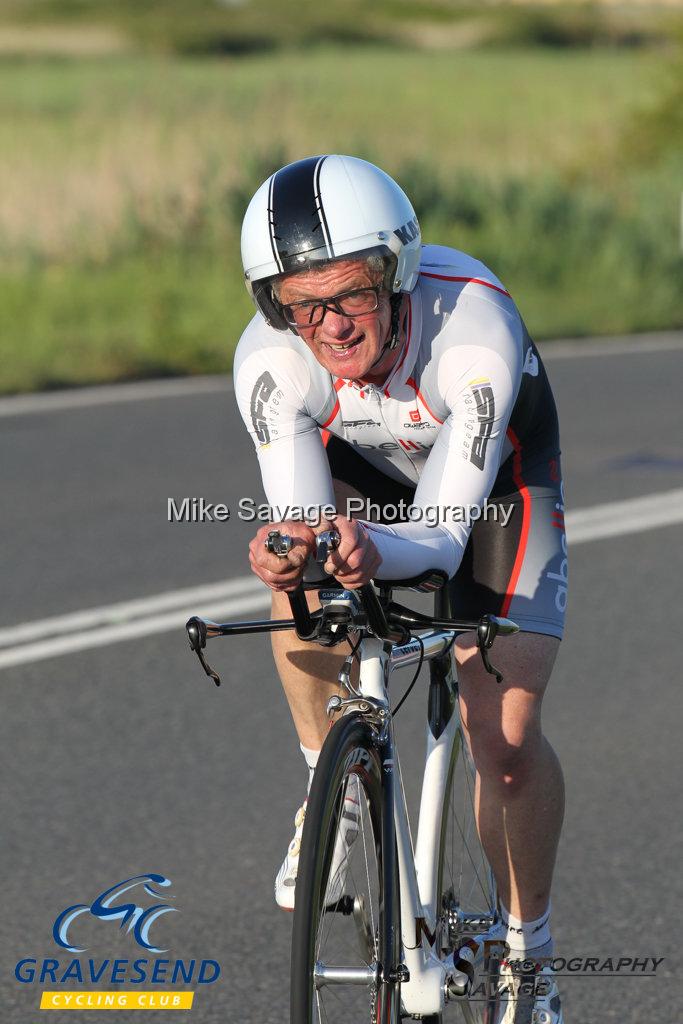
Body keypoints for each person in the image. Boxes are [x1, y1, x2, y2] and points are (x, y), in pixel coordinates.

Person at [234, 154, 567, 1023]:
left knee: (504, 738)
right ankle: (329, 793)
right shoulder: (271, 361)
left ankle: (528, 961)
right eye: (299, 304)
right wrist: (297, 549)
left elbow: (444, 539)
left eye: (349, 294)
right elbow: (305, 517)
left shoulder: (471, 332)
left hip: (493, 487)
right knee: (298, 567)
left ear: (399, 271)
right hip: (368, 478)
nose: (328, 326)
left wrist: (373, 546)